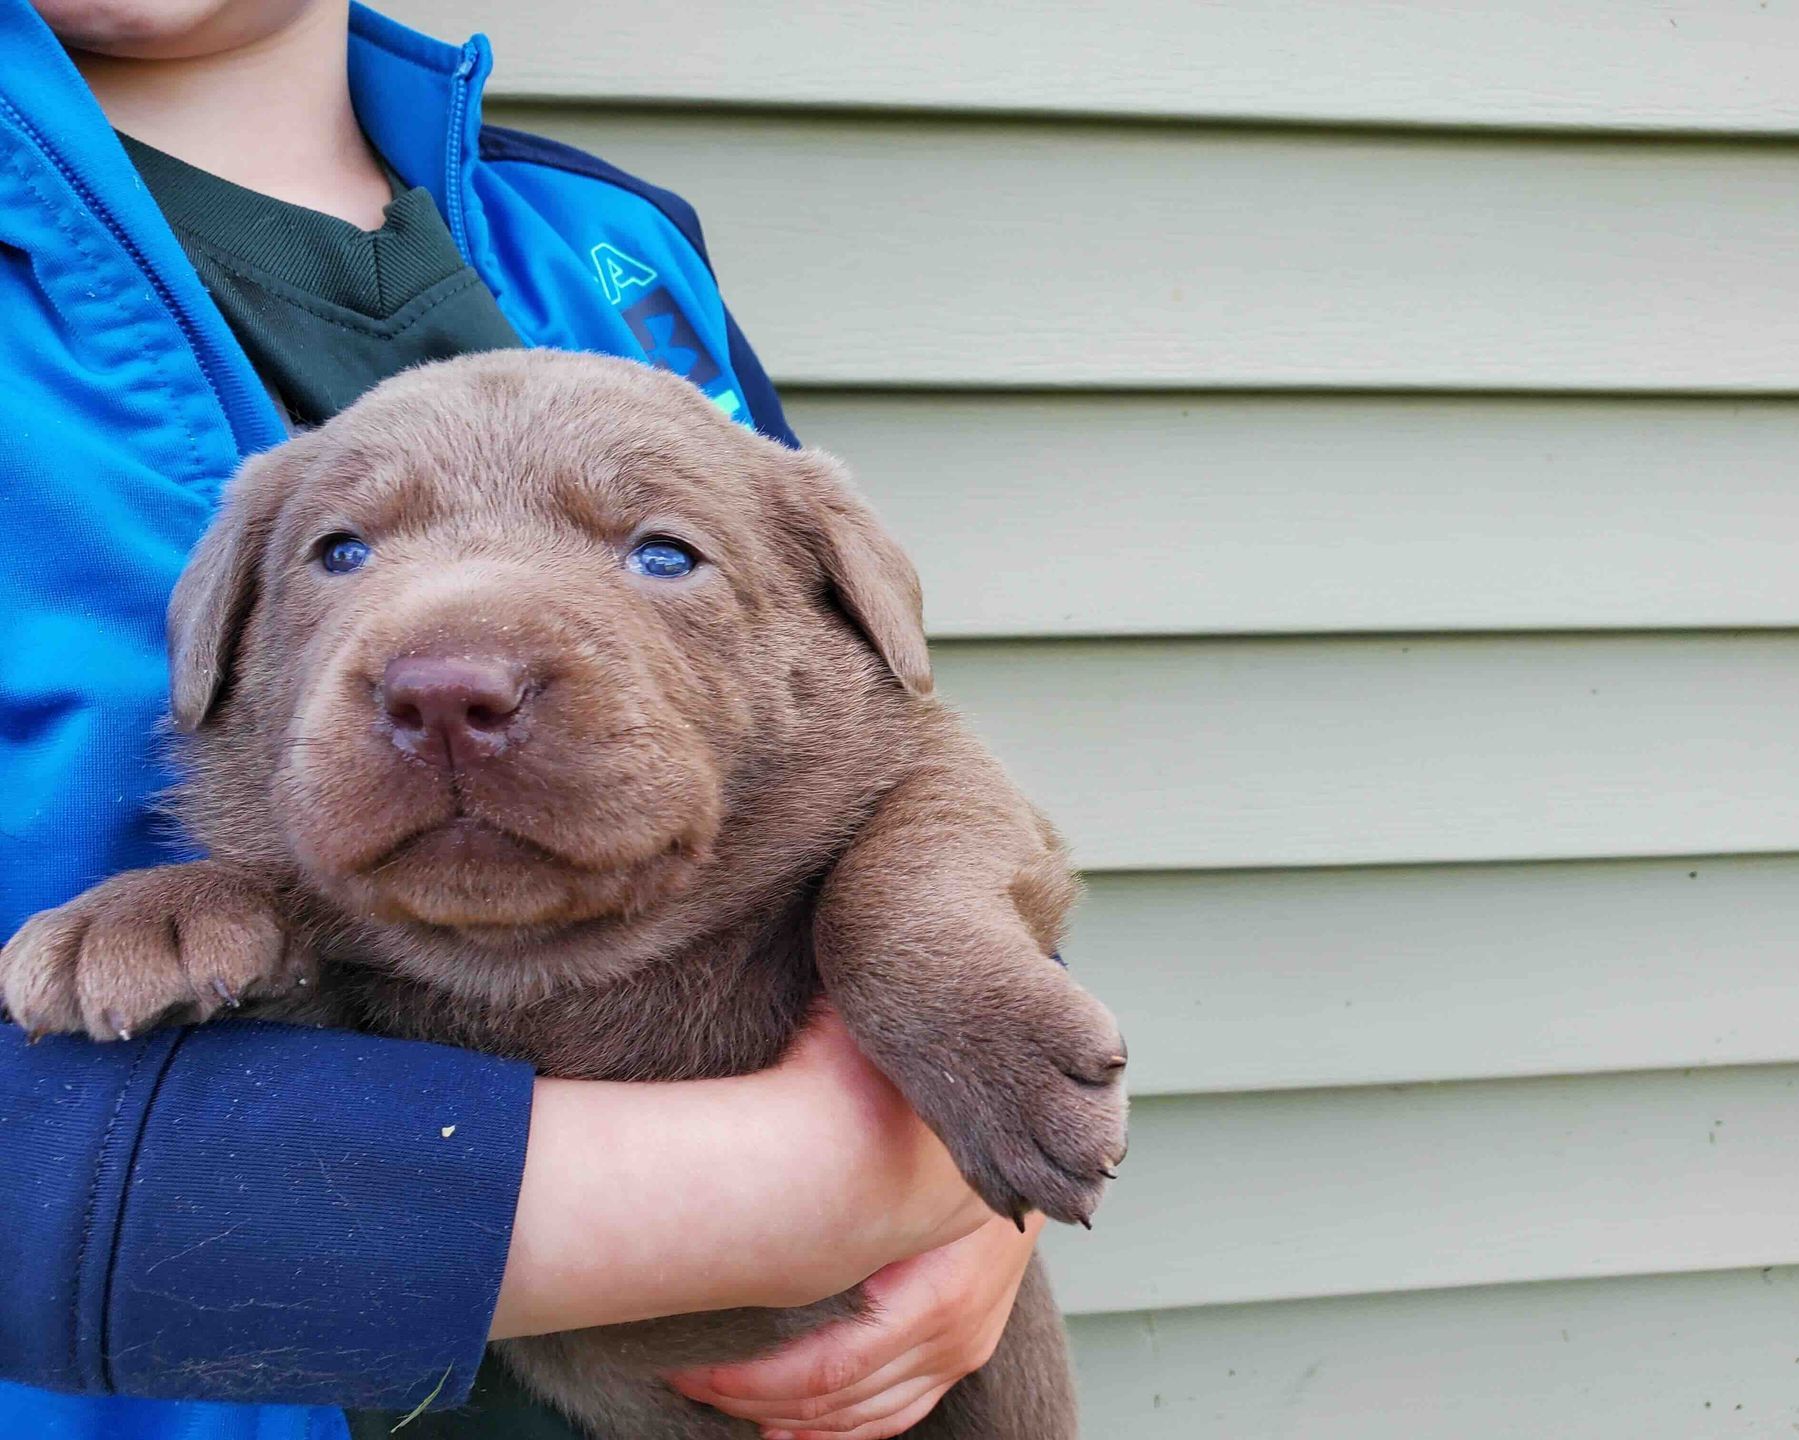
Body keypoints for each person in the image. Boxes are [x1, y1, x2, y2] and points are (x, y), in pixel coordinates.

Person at [0, 2, 1043, 1438]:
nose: (451, 677)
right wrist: (807, 1182)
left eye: (657, 551)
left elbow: (867, 727)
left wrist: (985, 1130)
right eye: (342, 553)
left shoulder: (608, 244)